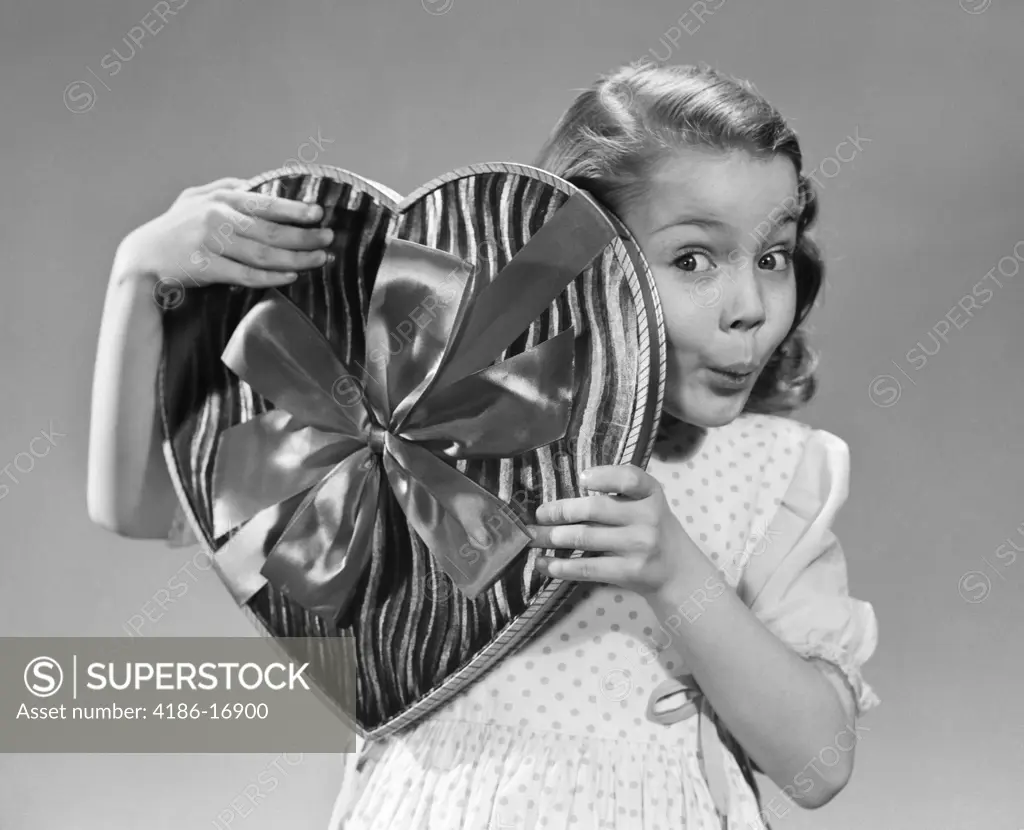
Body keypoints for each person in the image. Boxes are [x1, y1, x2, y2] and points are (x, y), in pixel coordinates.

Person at [87, 62, 879, 830]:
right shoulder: (432, 429)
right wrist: (136, 278)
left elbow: (820, 763)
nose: (748, 305)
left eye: (771, 256)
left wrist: (676, 572)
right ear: (582, 260)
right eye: (694, 259)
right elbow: (137, 505)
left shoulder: (773, 472)